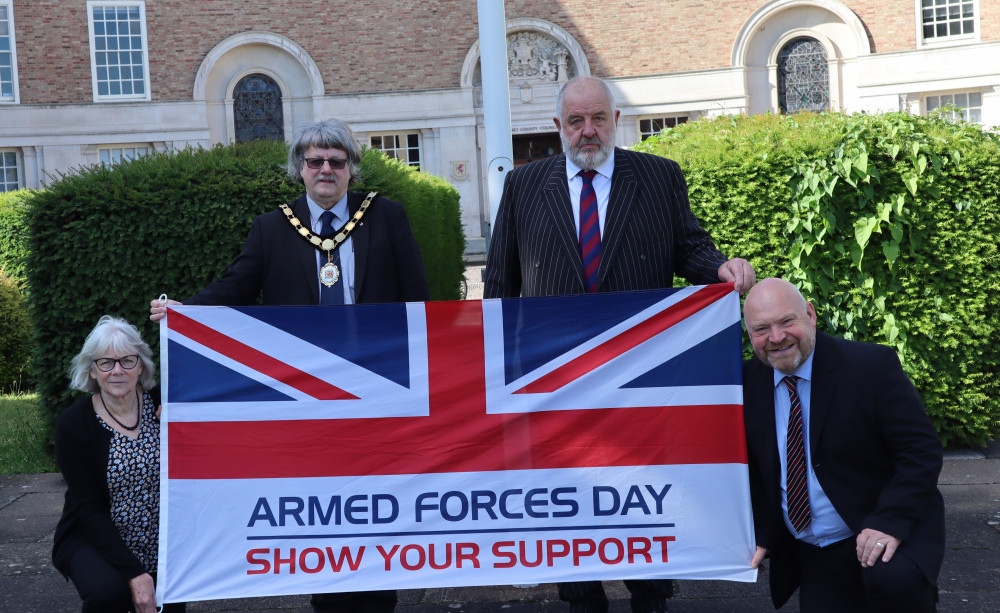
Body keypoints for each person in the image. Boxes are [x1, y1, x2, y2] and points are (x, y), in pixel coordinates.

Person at [483, 75, 755, 613]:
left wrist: (719, 267)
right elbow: (500, 283)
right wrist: (497, 369)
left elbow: (689, 246)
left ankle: (651, 590)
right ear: (557, 126)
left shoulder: (657, 177)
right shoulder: (523, 186)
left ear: (615, 120)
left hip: (639, 372)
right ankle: (581, 593)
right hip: (553, 377)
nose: (589, 131)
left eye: (598, 119)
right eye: (577, 121)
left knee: (641, 483)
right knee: (569, 488)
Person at [150, 118, 430, 613]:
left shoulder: (387, 217)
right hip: (308, 398)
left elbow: (419, 303)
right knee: (320, 504)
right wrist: (183, 312)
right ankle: (328, 598)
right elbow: (237, 287)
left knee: (373, 504)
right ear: (299, 169)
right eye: (315, 161)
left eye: (336, 162)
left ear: (352, 170)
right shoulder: (272, 227)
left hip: (378, 393)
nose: (326, 170)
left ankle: (376, 596)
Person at [742, 278, 945, 612]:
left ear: (810, 314)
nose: (776, 338)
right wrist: (762, 534)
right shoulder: (747, 383)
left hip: (881, 519)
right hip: (815, 549)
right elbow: (755, 471)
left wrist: (890, 522)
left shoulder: (871, 366)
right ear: (749, 335)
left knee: (896, 584)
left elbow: (920, 450)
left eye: (786, 322)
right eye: (761, 329)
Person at [52, 315, 185, 613]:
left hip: (162, 536)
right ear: (92, 370)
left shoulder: (167, 404)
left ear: (141, 366)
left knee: (171, 597)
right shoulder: (73, 424)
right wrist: (135, 574)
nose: (117, 371)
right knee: (109, 593)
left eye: (127, 361)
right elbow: (88, 507)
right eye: (106, 363)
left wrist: (180, 430)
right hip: (95, 535)